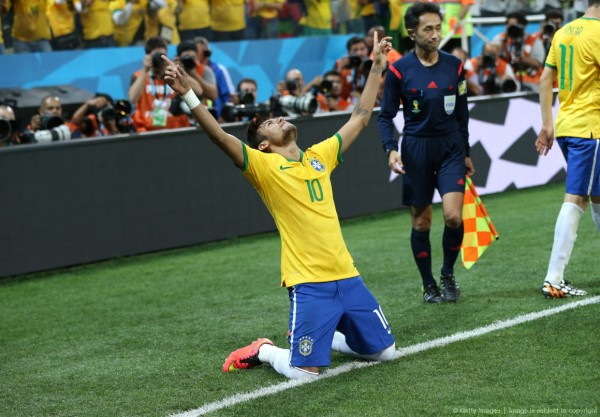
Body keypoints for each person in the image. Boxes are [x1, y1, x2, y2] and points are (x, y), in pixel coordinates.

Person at [161, 32, 396, 380]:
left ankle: (325, 336)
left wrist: (377, 66)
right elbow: (219, 136)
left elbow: (361, 116)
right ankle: (266, 350)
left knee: (385, 353)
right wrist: (189, 94)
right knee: (305, 373)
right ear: (265, 146)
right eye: (271, 123)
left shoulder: (320, 156)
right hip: (308, 282)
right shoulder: (263, 167)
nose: (279, 119)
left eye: (277, 118)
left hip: (348, 275)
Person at [377, 2, 475, 303]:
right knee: (421, 223)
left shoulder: (454, 65)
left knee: (453, 217)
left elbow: (461, 114)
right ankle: (428, 283)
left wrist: (466, 151)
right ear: (412, 32)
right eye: (428, 29)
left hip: (450, 149)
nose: (435, 34)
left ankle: (447, 274)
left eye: (438, 28)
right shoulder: (398, 70)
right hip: (416, 150)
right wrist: (391, 148)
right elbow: (385, 115)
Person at [534, 0, 600, 299]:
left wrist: (548, 123)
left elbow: (546, 78)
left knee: (597, 195)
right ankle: (553, 278)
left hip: (567, 124)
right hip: (591, 129)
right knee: (577, 198)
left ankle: (554, 277)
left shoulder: (563, 32)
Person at [128, 37, 196, 132]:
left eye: (163, 55)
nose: (160, 58)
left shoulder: (172, 73)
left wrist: (178, 70)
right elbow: (132, 99)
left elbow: (199, 90)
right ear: (148, 56)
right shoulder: (139, 76)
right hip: (148, 130)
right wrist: (145, 70)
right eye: (157, 55)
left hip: (175, 128)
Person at [491, 11, 545, 92]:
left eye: (514, 26)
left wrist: (523, 59)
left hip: (528, 78)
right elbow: (494, 57)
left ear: (523, 26)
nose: (512, 28)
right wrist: (504, 42)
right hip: (505, 78)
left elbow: (538, 63)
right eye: (509, 25)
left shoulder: (534, 41)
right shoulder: (500, 39)